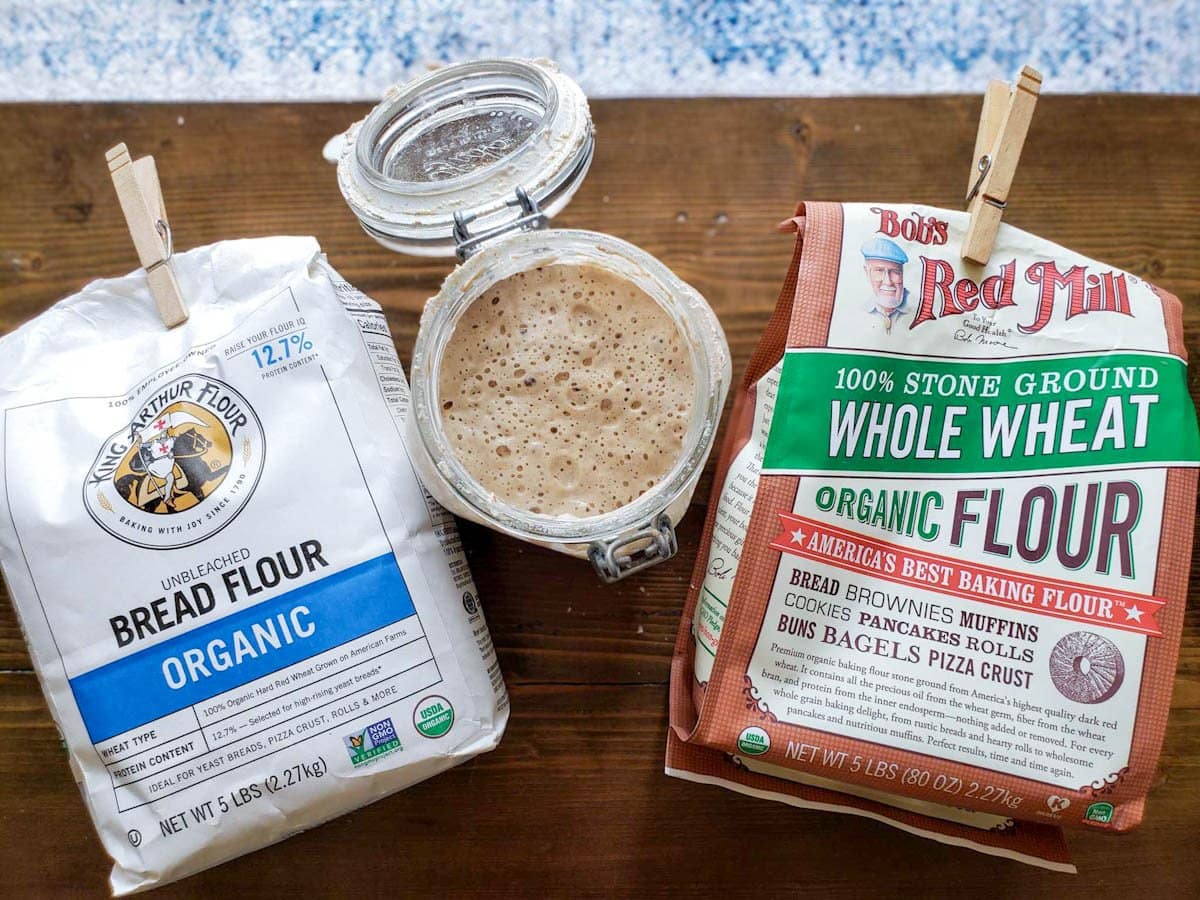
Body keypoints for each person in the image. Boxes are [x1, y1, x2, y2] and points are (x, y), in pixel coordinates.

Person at [861, 237, 910, 333]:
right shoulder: (858, 310)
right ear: (867, 273)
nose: (888, 282)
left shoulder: (915, 307)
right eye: (879, 271)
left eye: (895, 272)